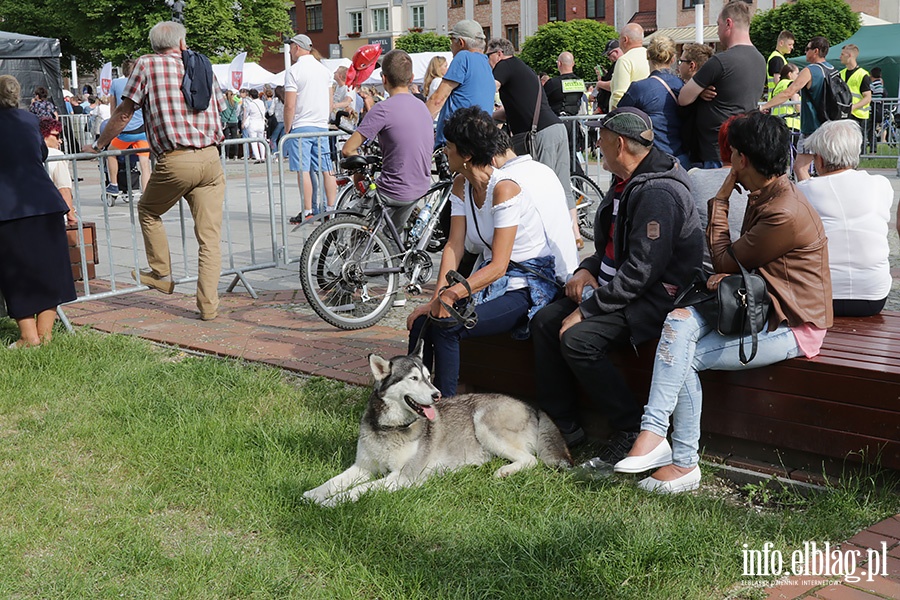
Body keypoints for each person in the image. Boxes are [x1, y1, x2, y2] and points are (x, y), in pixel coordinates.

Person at [614, 111, 832, 494]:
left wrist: (719, 200)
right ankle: (652, 435)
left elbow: (724, 260)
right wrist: (733, 272)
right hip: (757, 303)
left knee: (683, 357)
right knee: (678, 321)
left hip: (793, 323)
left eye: (732, 155)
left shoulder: (783, 211)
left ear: (741, 160)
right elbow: (738, 265)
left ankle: (682, 462)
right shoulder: (768, 191)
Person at [531, 107, 703, 457]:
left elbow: (642, 271)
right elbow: (613, 247)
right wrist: (587, 267)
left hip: (653, 299)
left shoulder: (658, 192)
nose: (596, 144)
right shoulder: (627, 179)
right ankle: (564, 426)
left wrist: (589, 309)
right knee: (544, 322)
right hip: (618, 290)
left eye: (601, 139)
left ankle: (629, 428)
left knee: (578, 339)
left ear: (620, 144)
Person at [406, 107, 568, 397]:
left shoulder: (505, 189)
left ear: (467, 155)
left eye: (449, 147)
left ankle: (446, 412)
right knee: (423, 323)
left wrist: (451, 295)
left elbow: (501, 265)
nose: (444, 152)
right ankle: (413, 399)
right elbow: (454, 246)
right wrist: (435, 299)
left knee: (447, 327)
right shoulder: (461, 184)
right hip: (494, 280)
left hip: (526, 286)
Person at [82, 20, 226, 322]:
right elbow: (220, 105)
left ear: (153, 46)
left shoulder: (147, 65)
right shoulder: (201, 64)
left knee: (148, 210)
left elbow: (124, 113)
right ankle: (209, 308)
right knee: (209, 239)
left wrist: (100, 144)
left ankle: (161, 273)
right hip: (212, 157)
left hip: (176, 159)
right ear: (182, 43)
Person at [0, 75, 77, 348]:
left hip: (8, 208)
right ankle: (45, 336)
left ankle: (28, 337)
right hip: (45, 201)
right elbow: (41, 153)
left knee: (16, 271)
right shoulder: (30, 121)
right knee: (50, 269)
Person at [486, 37, 576, 247]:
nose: (487, 61)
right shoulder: (523, 68)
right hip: (556, 127)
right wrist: (493, 115)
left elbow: (489, 88)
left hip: (541, 134)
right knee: (563, 186)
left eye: (487, 56)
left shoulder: (504, 65)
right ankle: (575, 235)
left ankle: (548, 241)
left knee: (541, 189)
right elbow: (516, 109)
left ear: (499, 53)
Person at [798, 120, 891, 317]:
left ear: (820, 159)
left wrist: (800, 172)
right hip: (873, 297)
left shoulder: (803, 190)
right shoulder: (881, 185)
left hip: (820, 297)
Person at [341, 49, 434, 233]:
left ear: (384, 79)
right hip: (421, 187)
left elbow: (348, 149)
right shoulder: (423, 107)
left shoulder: (382, 109)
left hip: (394, 190)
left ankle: (356, 255)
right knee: (392, 236)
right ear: (411, 78)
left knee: (359, 227)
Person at [678, 1, 765, 169]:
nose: (717, 30)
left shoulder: (720, 61)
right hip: (743, 147)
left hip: (717, 150)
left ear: (728, 23)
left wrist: (699, 90)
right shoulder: (760, 59)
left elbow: (683, 98)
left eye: (718, 24)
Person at [761, 36, 833, 181]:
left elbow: (789, 91)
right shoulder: (831, 69)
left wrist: (765, 106)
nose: (805, 52)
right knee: (825, 167)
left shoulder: (810, 70)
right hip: (829, 124)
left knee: (800, 167)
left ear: (816, 51)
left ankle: (807, 200)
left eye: (807, 49)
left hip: (812, 127)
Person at [283, 34, 338, 223]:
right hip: (321, 126)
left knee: (303, 170)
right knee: (326, 169)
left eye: (291, 47)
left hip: (302, 125)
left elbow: (289, 105)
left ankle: (308, 210)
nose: (290, 50)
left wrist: (287, 128)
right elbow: (330, 103)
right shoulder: (325, 71)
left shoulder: (293, 71)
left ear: (297, 47)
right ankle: (331, 208)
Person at [619, 35, 689, 169]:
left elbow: (619, 117)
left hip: (653, 161)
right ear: (673, 58)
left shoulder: (639, 88)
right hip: (682, 159)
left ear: (647, 55)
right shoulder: (683, 86)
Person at [426, 20, 495, 148]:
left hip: (456, 141)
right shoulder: (486, 63)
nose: (451, 46)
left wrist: (416, 125)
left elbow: (437, 100)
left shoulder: (463, 57)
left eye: (452, 40)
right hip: (479, 139)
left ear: (461, 42)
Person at [106, 59, 152, 195]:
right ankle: (146, 193)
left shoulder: (115, 83)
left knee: (110, 152)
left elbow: (113, 109)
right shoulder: (142, 83)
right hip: (142, 130)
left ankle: (114, 184)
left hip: (125, 130)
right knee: (144, 164)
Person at [40, 118, 78, 226]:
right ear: (45, 135)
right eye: (57, 136)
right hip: (53, 215)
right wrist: (71, 216)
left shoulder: (28, 152)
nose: (60, 140)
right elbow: (64, 189)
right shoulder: (57, 155)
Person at [839, 44, 872, 155]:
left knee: (856, 145)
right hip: (844, 114)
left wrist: (853, 107)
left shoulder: (863, 75)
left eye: (842, 54)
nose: (840, 57)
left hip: (858, 115)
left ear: (850, 55)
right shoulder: (841, 74)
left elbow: (867, 97)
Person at [609, 23, 649, 110]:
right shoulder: (650, 57)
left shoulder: (624, 60)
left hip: (628, 117)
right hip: (646, 113)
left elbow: (619, 96)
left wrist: (613, 118)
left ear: (625, 40)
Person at [591, 40, 622, 115]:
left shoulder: (620, 64)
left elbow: (614, 84)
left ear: (616, 52)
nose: (608, 57)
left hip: (608, 108)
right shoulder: (616, 65)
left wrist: (599, 84)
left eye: (609, 54)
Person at [770, 64, 801, 132]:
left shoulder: (777, 87)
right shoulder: (792, 84)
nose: (798, 76)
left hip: (776, 122)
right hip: (791, 122)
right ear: (790, 74)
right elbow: (797, 106)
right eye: (797, 74)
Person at [766, 30, 795, 99]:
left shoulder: (778, 57)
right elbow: (778, 83)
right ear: (781, 43)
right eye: (790, 44)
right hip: (779, 102)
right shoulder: (777, 59)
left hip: (776, 101)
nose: (792, 47)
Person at [242, 88, 267, 163]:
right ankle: (263, 157)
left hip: (253, 123)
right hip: (261, 123)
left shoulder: (250, 104)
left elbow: (246, 114)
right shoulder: (261, 102)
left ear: (250, 96)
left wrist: (243, 122)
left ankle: (257, 158)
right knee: (261, 140)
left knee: (253, 141)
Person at [221, 89, 242, 159]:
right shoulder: (234, 102)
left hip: (226, 121)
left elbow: (221, 112)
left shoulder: (224, 102)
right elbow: (237, 109)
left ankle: (226, 155)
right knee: (234, 138)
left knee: (227, 138)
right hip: (234, 121)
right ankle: (235, 155)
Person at [268, 86, 285, 155]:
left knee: (273, 139)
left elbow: (270, 112)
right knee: (283, 139)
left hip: (277, 121)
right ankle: (284, 153)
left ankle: (275, 153)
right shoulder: (285, 99)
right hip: (285, 121)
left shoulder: (275, 100)